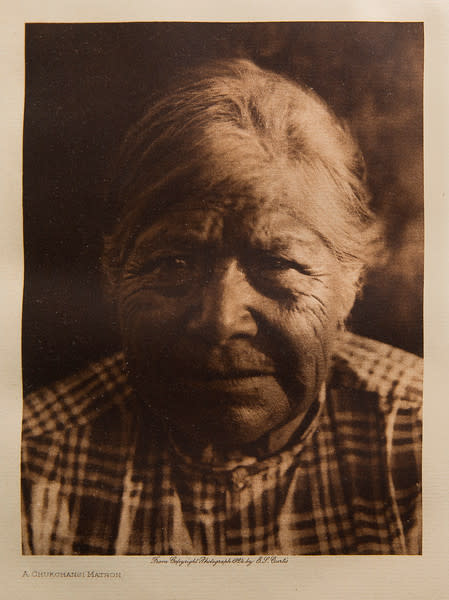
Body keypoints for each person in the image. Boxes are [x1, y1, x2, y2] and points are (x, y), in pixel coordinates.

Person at [21, 58, 422, 555]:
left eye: (277, 263)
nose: (218, 320)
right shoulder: (28, 463)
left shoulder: (424, 439)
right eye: (172, 263)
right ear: (113, 275)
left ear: (351, 281)